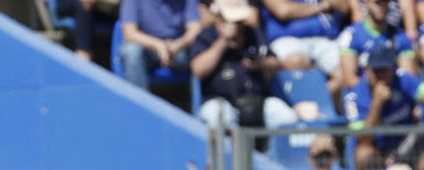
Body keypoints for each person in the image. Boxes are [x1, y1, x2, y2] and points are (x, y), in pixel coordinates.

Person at [191, 0, 298, 129]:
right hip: (221, 101)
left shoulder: (253, 33)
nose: (239, 26)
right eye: (234, 21)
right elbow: (198, 70)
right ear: (220, 18)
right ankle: (228, 150)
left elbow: (277, 64)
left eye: (241, 21)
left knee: (286, 117)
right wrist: (224, 40)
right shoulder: (207, 36)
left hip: (258, 101)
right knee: (218, 116)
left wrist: (261, 63)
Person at [343, 44, 424, 170]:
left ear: (393, 68)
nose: (381, 76)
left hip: (407, 143)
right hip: (378, 150)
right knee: (363, 154)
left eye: (385, 70)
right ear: (367, 70)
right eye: (376, 71)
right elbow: (363, 139)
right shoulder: (354, 97)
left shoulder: (403, 79)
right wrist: (377, 103)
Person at [261, 0, 348, 93]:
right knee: (295, 61)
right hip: (287, 39)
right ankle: (313, 101)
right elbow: (283, 11)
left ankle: (321, 101)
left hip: (326, 38)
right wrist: (322, 6)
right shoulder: (323, 5)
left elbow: (343, 7)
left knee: (346, 71)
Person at [118, 0, 203, 90]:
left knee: (201, 55)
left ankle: (203, 101)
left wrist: (177, 45)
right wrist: (157, 45)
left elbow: (195, 30)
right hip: (147, 50)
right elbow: (129, 33)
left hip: (178, 50)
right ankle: (138, 100)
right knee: (131, 51)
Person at [339, 0, 419, 91]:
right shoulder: (351, 35)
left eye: (385, 2)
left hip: (394, 96)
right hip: (363, 97)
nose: (382, 6)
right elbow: (350, 79)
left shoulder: (401, 38)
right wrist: (374, 95)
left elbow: (408, 77)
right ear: (366, 3)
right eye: (377, 3)